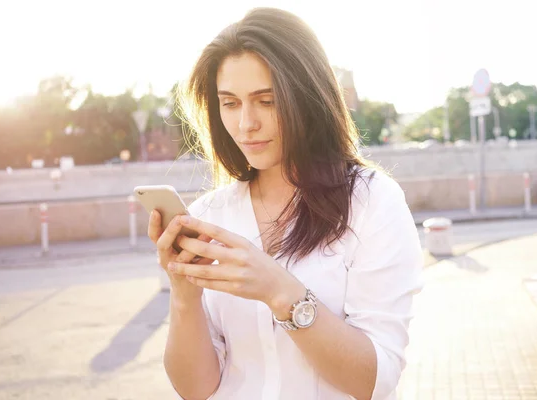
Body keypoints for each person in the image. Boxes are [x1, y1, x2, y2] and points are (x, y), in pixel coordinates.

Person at [147, 7, 423, 400]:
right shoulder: (210, 215)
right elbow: (196, 390)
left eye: (267, 100)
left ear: (308, 98)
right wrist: (185, 295)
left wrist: (281, 292)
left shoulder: (372, 202)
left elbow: (374, 382)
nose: (246, 124)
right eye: (229, 103)